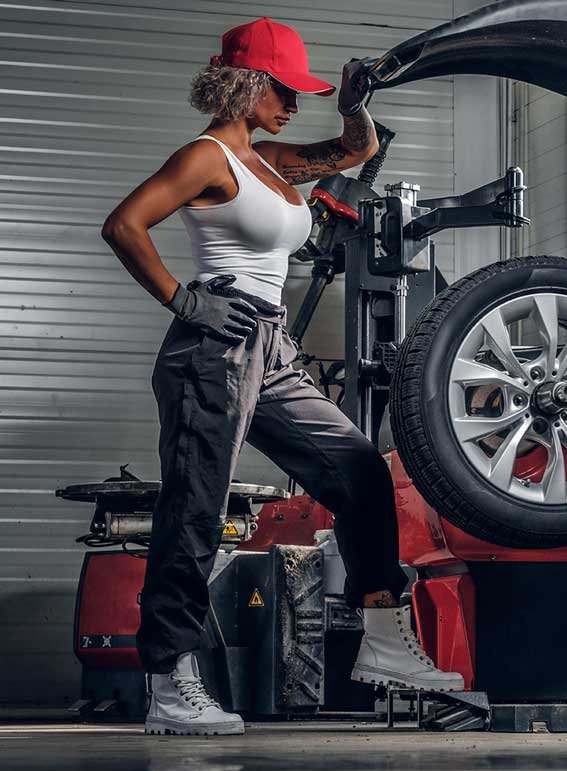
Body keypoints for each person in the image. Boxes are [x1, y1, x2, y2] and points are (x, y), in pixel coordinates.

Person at [101, 17, 463, 737]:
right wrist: (184, 298)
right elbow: (125, 224)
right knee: (196, 508)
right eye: (284, 89)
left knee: (359, 471)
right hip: (217, 343)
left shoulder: (267, 159)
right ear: (245, 84)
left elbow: (355, 149)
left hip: (272, 349)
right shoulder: (206, 157)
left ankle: (385, 643)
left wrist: (355, 102)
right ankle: (170, 679)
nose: (295, 103)